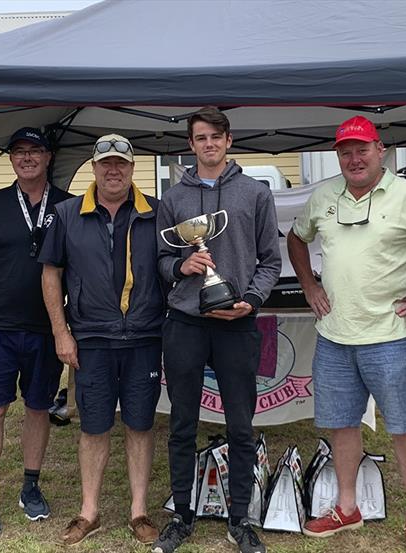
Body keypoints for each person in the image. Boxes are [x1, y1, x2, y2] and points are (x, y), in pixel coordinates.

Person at [287, 115, 406, 553]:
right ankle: (347, 507)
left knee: (404, 426)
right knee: (341, 425)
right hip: (335, 337)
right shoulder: (325, 196)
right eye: (344, 152)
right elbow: (297, 239)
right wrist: (309, 285)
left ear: (381, 151)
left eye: (361, 149)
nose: (353, 158)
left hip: (390, 336)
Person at [152, 106, 281, 553]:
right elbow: (159, 260)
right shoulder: (173, 198)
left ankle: (240, 518)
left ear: (229, 141)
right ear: (191, 144)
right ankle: (182, 516)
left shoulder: (255, 193)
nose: (208, 144)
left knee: (242, 425)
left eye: (216, 137)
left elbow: (270, 260)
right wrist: (181, 265)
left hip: (238, 323)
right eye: (200, 137)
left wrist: (253, 300)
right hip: (186, 322)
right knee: (182, 423)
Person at [39, 134, 164, 546]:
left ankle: (139, 511)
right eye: (106, 163)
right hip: (91, 339)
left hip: (144, 336)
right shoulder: (67, 213)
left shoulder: (156, 213)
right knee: (93, 427)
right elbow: (51, 273)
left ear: (132, 169)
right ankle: (88, 511)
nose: (114, 171)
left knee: (140, 425)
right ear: (93, 168)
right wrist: (61, 332)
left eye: (122, 164)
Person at [0, 127, 69, 539]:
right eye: (19, 151)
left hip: (47, 327)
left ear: (48, 157)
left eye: (35, 151)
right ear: (11, 159)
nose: (27, 158)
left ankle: (31, 484)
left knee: (38, 407)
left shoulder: (68, 205)